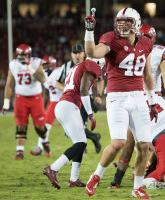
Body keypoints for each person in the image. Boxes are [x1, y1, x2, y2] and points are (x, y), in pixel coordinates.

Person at [84, 8, 158, 199]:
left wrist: (152, 102)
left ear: (137, 23)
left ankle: (137, 188)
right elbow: (93, 51)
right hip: (117, 96)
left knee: (144, 146)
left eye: (127, 21)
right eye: (120, 21)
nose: (123, 25)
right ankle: (96, 175)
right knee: (118, 143)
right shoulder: (111, 38)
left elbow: (148, 75)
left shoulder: (146, 42)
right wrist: (89, 31)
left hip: (139, 96)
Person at [108, 24, 165, 189]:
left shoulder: (152, 50)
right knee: (140, 143)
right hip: (138, 97)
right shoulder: (141, 49)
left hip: (149, 98)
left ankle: (135, 177)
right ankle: (141, 177)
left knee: (145, 143)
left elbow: (163, 77)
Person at [42, 58, 103, 189]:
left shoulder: (75, 67)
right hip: (70, 105)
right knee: (81, 143)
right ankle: (53, 168)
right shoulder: (92, 65)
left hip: (63, 105)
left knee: (79, 143)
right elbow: (84, 91)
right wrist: (90, 114)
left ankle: (74, 179)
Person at [2, 44, 47, 160]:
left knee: (40, 127)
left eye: (25, 55)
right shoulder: (13, 64)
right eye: (20, 55)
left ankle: (45, 142)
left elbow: (42, 79)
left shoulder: (36, 62)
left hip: (35, 98)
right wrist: (6, 102)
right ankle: (19, 152)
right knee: (21, 125)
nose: (22, 57)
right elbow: (9, 84)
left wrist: (30, 68)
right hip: (20, 98)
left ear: (29, 55)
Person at [59, 43, 103, 153]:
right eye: (75, 53)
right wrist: (68, 89)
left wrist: (99, 94)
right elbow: (56, 82)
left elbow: (101, 78)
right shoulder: (66, 66)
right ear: (71, 54)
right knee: (70, 130)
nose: (77, 55)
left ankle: (81, 148)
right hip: (72, 100)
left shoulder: (89, 63)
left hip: (85, 99)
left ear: (84, 53)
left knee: (79, 127)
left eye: (79, 53)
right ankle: (94, 137)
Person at [30, 56, 64, 157]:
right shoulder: (44, 74)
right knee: (46, 126)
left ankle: (82, 146)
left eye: (45, 65)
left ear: (51, 65)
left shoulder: (58, 72)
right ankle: (41, 148)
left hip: (64, 101)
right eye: (43, 65)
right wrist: (43, 106)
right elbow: (46, 92)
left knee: (70, 127)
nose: (43, 67)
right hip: (53, 102)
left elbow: (65, 85)